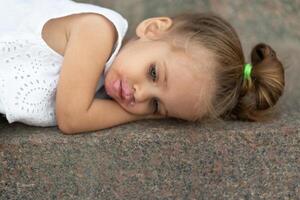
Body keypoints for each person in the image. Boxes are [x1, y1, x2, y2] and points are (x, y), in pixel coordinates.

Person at [0, 0, 285, 134]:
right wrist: (151, 117)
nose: (138, 94)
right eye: (153, 73)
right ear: (153, 28)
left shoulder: (104, 82)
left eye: (156, 105)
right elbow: (72, 118)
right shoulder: (97, 32)